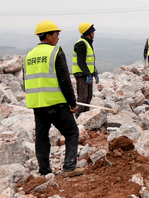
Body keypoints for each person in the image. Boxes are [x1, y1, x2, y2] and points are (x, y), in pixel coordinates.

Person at [23, 20, 83, 177]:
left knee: (42, 138)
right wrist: (72, 103)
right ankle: (70, 167)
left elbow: (26, 81)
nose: (58, 37)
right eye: (56, 34)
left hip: (37, 104)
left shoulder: (29, 55)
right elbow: (65, 81)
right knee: (72, 133)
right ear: (48, 36)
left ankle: (44, 170)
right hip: (56, 103)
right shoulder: (55, 52)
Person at [72, 22, 98, 115]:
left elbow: (90, 60)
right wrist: (87, 74)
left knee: (89, 96)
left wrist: (94, 73)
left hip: (87, 74)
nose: (94, 33)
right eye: (92, 31)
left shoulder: (88, 43)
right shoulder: (81, 44)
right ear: (88, 32)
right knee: (83, 96)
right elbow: (81, 61)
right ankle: (79, 115)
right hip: (81, 74)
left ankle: (86, 115)